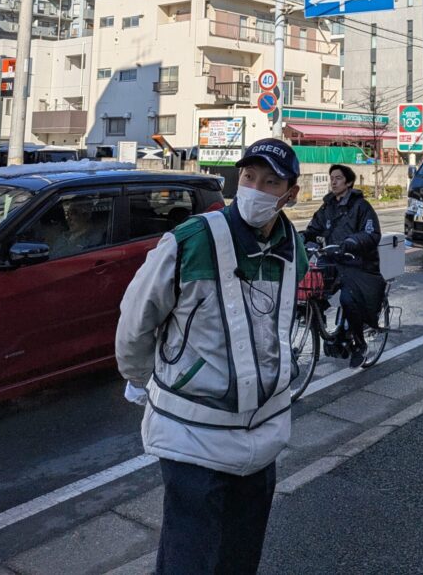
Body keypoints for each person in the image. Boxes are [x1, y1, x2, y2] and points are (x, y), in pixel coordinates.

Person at [115, 138, 307, 575]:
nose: (255, 189)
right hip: (193, 433)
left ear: (291, 193)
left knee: (240, 555)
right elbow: (136, 320)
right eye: (249, 177)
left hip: (263, 434)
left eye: (270, 182)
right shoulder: (190, 239)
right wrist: (140, 377)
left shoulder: (291, 244)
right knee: (189, 556)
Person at [302, 163, 384, 368]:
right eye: (332, 178)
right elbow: (314, 228)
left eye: (338, 178)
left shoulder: (361, 206)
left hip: (357, 263)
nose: (333, 181)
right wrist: (304, 238)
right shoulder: (327, 206)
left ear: (348, 182)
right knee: (313, 291)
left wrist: (353, 242)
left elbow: (372, 233)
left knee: (349, 299)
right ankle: (327, 331)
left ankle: (359, 343)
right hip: (331, 260)